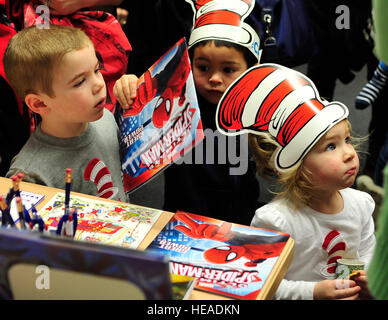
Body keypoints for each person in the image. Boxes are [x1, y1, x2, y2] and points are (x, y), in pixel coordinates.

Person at [215, 63, 376, 300]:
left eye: (347, 140)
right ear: (296, 167)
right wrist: (313, 292)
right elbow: (259, 284)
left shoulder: (361, 204)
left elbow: (365, 249)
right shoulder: (275, 221)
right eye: (330, 146)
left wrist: (367, 275)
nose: (350, 153)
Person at [113, 0, 262, 225]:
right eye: (203, 67)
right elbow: (138, 93)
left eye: (228, 69)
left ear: (251, 70)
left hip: (239, 217)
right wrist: (129, 84)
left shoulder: (257, 106)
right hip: (181, 215)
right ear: (189, 63)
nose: (214, 78)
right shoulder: (177, 97)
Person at [4, 25, 129, 202]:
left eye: (96, 70)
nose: (99, 85)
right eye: (79, 82)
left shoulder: (106, 121)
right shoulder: (30, 176)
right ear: (39, 103)